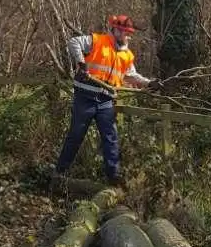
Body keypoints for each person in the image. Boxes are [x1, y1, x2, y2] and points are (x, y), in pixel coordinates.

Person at [55, 15, 163, 185]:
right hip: (85, 97)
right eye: (126, 33)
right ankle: (60, 173)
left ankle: (113, 178)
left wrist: (149, 83)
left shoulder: (127, 55)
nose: (129, 37)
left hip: (105, 100)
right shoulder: (97, 40)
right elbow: (74, 42)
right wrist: (81, 63)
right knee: (76, 135)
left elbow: (131, 76)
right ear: (117, 31)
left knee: (110, 137)